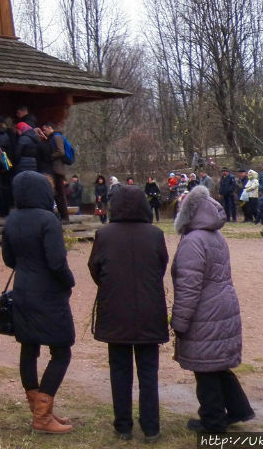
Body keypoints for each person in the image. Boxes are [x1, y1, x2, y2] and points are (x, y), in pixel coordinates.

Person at [171, 184, 254, 433]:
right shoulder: (214, 235)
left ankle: (213, 421)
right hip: (221, 305)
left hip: (205, 311)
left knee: (205, 369)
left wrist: (179, 322)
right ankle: (239, 408)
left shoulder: (193, 241)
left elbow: (189, 286)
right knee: (217, 363)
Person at [89, 184, 168, 442]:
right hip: (149, 309)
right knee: (148, 372)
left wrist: (111, 285)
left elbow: (95, 268)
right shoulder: (155, 234)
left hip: (115, 310)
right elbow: (161, 265)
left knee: (119, 370)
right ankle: (151, 427)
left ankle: (123, 425)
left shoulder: (105, 234)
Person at [2, 171, 75, 433]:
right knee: (62, 350)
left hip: (22, 291)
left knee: (29, 348)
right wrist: (69, 280)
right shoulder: (48, 219)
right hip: (49, 294)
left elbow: (9, 259)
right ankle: (43, 416)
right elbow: (57, 262)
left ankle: (39, 410)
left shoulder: (11, 219)